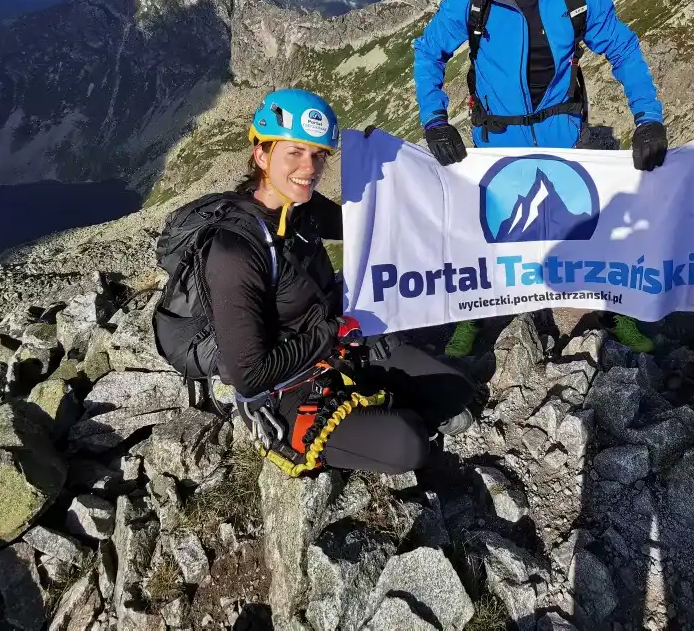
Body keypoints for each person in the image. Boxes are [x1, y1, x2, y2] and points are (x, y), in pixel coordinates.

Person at [154, 88, 476, 477]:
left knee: (456, 389)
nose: (309, 167)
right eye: (294, 152)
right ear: (261, 154)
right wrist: (335, 332)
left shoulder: (302, 207)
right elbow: (250, 374)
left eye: (319, 154)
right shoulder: (235, 250)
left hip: (339, 342)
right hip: (285, 383)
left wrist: (388, 161)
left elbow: (361, 227)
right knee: (408, 443)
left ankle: (377, 406)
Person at [412, 0, 669, 358]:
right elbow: (428, 53)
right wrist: (435, 120)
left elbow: (625, 51)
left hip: (562, 141)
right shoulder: (473, 0)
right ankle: (473, 316)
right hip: (497, 147)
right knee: (487, 234)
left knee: (581, 229)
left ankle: (614, 310)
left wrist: (648, 117)